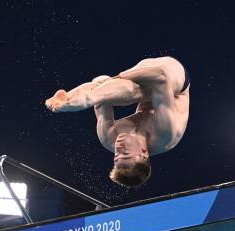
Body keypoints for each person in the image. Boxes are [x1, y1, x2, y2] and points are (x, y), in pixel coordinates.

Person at [45, 56, 190, 187]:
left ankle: (69, 99)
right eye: (125, 154)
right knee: (131, 91)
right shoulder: (165, 134)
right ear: (144, 153)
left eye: (116, 156)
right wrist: (116, 78)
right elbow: (161, 77)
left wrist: (106, 84)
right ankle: (79, 101)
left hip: (144, 80)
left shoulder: (109, 138)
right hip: (172, 78)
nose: (118, 148)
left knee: (104, 85)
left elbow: (99, 95)